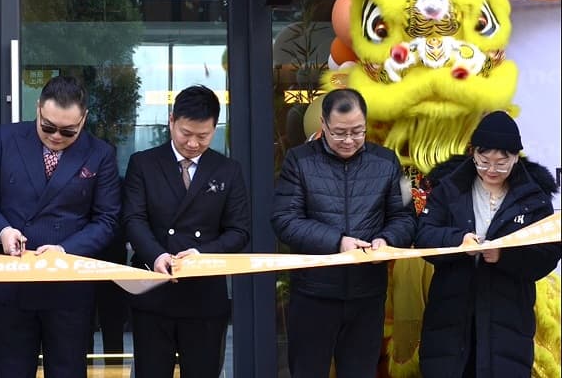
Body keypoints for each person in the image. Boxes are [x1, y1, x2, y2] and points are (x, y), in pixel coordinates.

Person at [0, 75, 121, 378]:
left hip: (68, 287)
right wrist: (2, 231)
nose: (56, 136)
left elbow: (107, 219)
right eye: (48, 126)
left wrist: (66, 250)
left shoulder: (100, 153)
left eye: (68, 131)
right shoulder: (6, 139)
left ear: (84, 119)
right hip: (12, 281)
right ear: (37, 109)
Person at [271, 87, 415, 378]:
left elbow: (406, 217)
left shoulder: (389, 162)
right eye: (339, 133)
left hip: (368, 294)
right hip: (314, 294)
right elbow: (284, 219)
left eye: (357, 131)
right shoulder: (298, 161)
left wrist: (386, 240)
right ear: (323, 124)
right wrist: (338, 242)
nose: (349, 140)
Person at [415, 111, 561, 377]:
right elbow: (424, 235)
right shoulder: (450, 189)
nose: (491, 170)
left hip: (507, 318)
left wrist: (504, 256)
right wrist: (458, 242)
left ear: (516, 158)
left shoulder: (533, 199)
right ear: (473, 153)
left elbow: (547, 254)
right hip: (451, 313)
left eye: (501, 163)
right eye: (484, 162)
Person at [122, 85, 251, 377]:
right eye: (186, 133)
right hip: (153, 292)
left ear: (214, 128)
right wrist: (156, 255)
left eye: (203, 136)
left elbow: (239, 231)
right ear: (171, 121)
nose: (193, 143)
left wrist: (202, 255)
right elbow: (133, 219)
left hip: (204, 297)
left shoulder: (227, 170)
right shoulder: (144, 163)